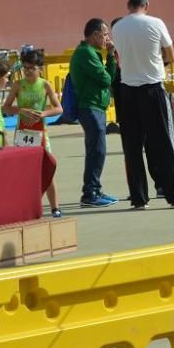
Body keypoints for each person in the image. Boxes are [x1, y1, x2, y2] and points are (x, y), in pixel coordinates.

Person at [110, 0, 174, 209]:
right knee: (165, 143)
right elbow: (171, 54)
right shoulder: (156, 23)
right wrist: (159, 61)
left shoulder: (117, 28)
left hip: (128, 91)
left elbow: (122, 58)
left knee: (132, 146)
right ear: (146, 4)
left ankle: (139, 199)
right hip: (153, 89)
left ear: (128, 5)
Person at [2, 49, 63, 217]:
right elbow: (5, 107)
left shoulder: (45, 85)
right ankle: (23, 206)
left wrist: (43, 114)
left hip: (41, 132)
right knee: (24, 172)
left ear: (40, 69)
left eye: (31, 68)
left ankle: (55, 207)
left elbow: (59, 108)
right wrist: (20, 110)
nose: (27, 71)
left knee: (47, 169)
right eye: (25, 68)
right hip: (23, 132)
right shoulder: (18, 85)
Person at [69, 18, 119, 208]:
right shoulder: (85, 53)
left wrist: (111, 56)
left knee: (98, 150)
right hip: (89, 107)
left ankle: (95, 188)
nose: (107, 38)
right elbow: (106, 79)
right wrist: (109, 58)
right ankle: (89, 193)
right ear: (96, 34)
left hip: (97, 106)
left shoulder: (93, 53)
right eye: (105, 34)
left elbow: (109, 77)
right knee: (96, 150)